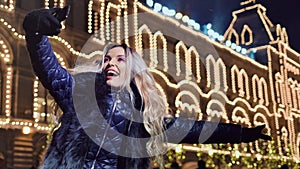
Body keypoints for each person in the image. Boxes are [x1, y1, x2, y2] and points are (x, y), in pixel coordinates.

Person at [22, 6, 272, 169]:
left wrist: (240, 134)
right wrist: (34, 31)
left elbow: (193, 129)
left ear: (132, 70)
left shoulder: (143, 119)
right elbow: (49, 69)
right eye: (107, 59)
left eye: (120, 59)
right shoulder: (80, 96)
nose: (111, 63)